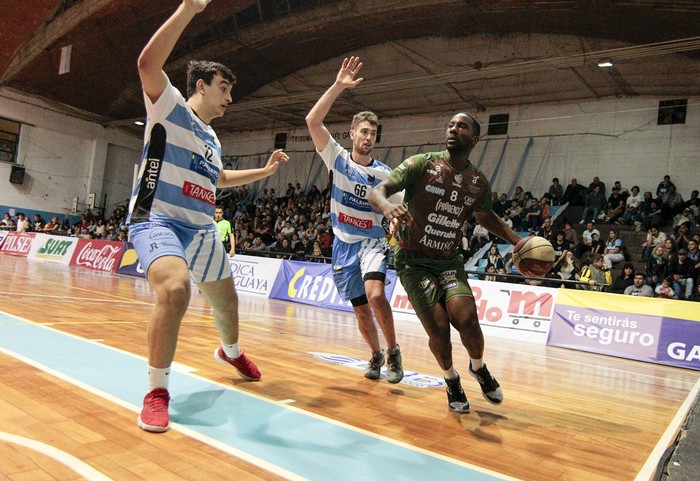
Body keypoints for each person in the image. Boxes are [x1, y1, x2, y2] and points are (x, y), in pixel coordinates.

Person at [128, 0, 289, 433]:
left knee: (227, 302)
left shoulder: (212, 137)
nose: (229, 99)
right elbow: (147, 62)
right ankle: (157, 391)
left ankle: (230, 351)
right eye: (224, 89)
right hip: (157, 220)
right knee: (177, 290)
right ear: (200, 85)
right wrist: (188, 9)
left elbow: (217, 177)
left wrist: (265, 171)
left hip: (201, 230)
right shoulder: (170, 106)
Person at [369, 112, 521, 414]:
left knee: (467, 320)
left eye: (461, 126)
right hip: (413, 262)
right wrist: (387, 207)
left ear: (474, 139)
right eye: (450, 125)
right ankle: (451, 379)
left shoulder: (477, 182)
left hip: (449, 261)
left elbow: (485, 216)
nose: (453, 129)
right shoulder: (422, 163)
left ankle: (478, 367)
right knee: (439, 331)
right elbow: (379, 190)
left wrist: (518, 241)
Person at [305, 56, 403, 384]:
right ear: (351, 134)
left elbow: (401, 208)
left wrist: (395, 220)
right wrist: (337, 87)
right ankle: (374, 354)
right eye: (364, 131)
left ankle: (393, 351)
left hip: (372, 242)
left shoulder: (385, 175)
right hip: (342, 245)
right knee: (361, 309)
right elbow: (312, 121)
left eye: (373, 133)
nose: (369, 137)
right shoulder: (338, 158)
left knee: (376, 296)